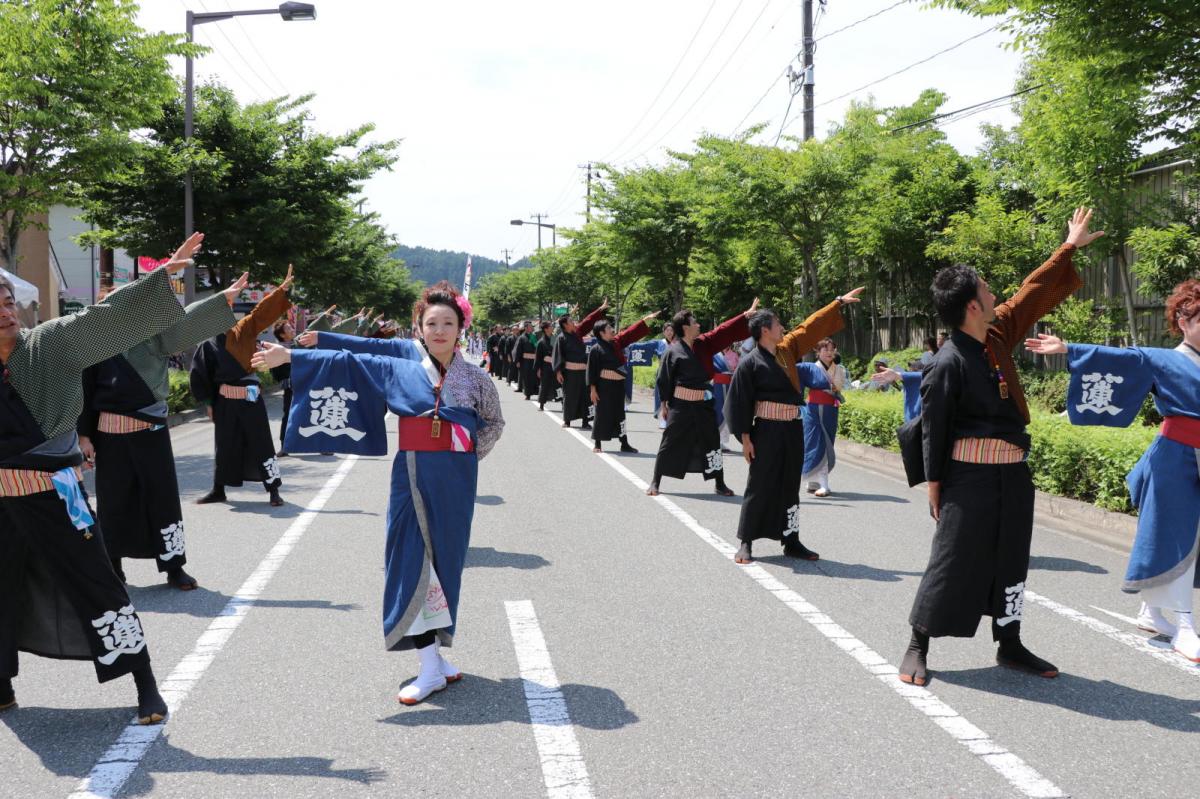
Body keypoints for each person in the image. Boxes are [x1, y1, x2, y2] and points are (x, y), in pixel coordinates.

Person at [252, 281, 503, 705]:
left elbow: (493, 424)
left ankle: (436, 656)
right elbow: (357, 357)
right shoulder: (404, 363)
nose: (440, 330)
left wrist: (464, 454)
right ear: (419, 328)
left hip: (458, 479)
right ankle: (428, 665)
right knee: (409, 557)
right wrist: (292, 354)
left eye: (448, 323)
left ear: (461, 328)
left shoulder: (476, 378)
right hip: (412, 472)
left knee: (447, 560)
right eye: (431, 323)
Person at [0, 234, 204, 723]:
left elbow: (102, 319)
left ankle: (145, 683)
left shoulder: (47, 345)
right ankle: (2, 682)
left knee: (99, 584)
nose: (6, 311)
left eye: (7, 302)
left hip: (52, 491)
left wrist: (164, 276)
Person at [899, 207, 1104, 687]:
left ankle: (1009, 643)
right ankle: (917, 643)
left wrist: (1068, 247)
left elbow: (1030, 297)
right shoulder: (946, 362)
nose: (995, 295)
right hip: (967, 479)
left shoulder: (994, 336)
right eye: (987, 290)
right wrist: (935, 486)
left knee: (1012, 558)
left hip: (1013, 475)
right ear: (971, 305)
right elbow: (934, 427)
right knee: (951, 559)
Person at [1024, 278, 1200, 661]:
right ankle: (1185, 624)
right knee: (1176, 537)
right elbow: (1122, 359)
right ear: (1183, 321)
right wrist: (1068, 348)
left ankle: (1152, 611)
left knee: (1190, 539)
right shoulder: (1162, 358)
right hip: (1176, 459)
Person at [78, 270, 247, 591]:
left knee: (163, 499)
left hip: (151, 433)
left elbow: (187, 322)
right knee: (114, 502)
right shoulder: (96, 342)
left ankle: (174, 568)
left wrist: (220, 300)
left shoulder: (154, 334)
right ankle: (113, 565)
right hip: (110, 434)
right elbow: (83, 390)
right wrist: (84, 436)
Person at [726, 289, 864, 564]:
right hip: (765, 430)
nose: (783, 328)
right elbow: (738, 401)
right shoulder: (749, 363)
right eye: (778, 324)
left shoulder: (787, 349)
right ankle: (746, 541)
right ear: (765, 330)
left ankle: (791, 539)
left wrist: (836, 304)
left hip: (792, 428)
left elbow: (809, 328)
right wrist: (746, 438)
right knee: (760, 484)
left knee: (790, 485)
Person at [190, 265, 295, 508]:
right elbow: (200, 374)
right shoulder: (208, 343)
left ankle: (273, 490)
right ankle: (218, 490)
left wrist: (281, 290)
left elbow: (261, 313)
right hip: (225, 401)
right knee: (224, 445)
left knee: (261, 443)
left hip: (250, 399)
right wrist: (208, 403)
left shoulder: (244, 329)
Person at [647, 299, 758, 497]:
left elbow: (723, 331)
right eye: (695, 322)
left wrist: (744, 316)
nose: (699, 324)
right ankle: (655, 481)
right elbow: (664, 379)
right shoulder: (672, 351)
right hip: (680, 405)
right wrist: (664, 404)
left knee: (712, 441)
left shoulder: (704, 344)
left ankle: (719, 483)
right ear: (685, 327)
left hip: (704, 404)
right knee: (670, 441)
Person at [587, 313, 659, 453]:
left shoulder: (616, 343)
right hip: (604, 386)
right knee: (602, 413)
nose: (612, 329)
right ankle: (597, 443)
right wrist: (593, 389)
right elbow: (592, 371)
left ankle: (624, 443)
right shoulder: (596, 349)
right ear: (601, 333)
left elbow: (629, 333)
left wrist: (644, 321)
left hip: (618, 385)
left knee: (620, 414)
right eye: (609, 328)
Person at [800, 338, 850, 497]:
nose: (829, 352)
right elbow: (791, 373)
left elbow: (838, 387)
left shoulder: (840, 369)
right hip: (813, 411)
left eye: (831, 349)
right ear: (818, 352)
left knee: (827, 443)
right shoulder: (808, 368)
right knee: (813, 442)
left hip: (830, 411)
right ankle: (818, 482)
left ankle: (822, 482)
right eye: (825, 349)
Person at [552, 300, 609, 429]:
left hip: (583, 371)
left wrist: (600, 309)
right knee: (570, 396)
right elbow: (558, 355)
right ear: (565, 325)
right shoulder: (561, 338)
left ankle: (586, 421)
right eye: (571, 321)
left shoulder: (578, 333)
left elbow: (588, 321)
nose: (574, 323)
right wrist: (558, 372)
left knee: (586, 397)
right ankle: (567, 420)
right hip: (570, 373)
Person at [271, 318, 296, 457]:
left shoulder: (300, 345)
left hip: (307, 384)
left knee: (313, 412)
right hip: (291, 387)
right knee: (288, 415)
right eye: (288, 328)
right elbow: (275, 371)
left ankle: (321, 445)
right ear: (282, 335)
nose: (292, 329)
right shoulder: (276, 350)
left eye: (291, 327)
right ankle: (284, 446)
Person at [651, 322, 677, 429]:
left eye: (671, 330)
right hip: (662, 372)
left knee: (673, 396)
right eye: (667, 330)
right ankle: (662, 420)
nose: (669, 332)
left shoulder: (677, 343)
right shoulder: (659, 343)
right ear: (663, 331)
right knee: (661, 396)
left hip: (675, 373)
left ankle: (672, 419)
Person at [535, 321, 558, 411]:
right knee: (544, 385)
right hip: (545, 367)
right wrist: (538, 369)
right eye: (550, 326)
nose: (552, 328)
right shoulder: (541, 342)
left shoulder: (555, 339)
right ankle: (541, 404)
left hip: (555, 365)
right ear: (546, 329)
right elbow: (538, 357)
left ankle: (561, 402)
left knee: (558, 385)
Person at [514, 320, 539, 400]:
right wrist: (517, 360)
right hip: (525, 361)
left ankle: (534, 391)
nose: (531, 328)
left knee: (533, 377)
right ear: (526, 328)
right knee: (526, 377)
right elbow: (518, 350)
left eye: (532, 327)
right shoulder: (522, 338)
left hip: (533, 360)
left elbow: (537, 348)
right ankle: (527, 394)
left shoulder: (534, 337)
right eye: (530, 327)